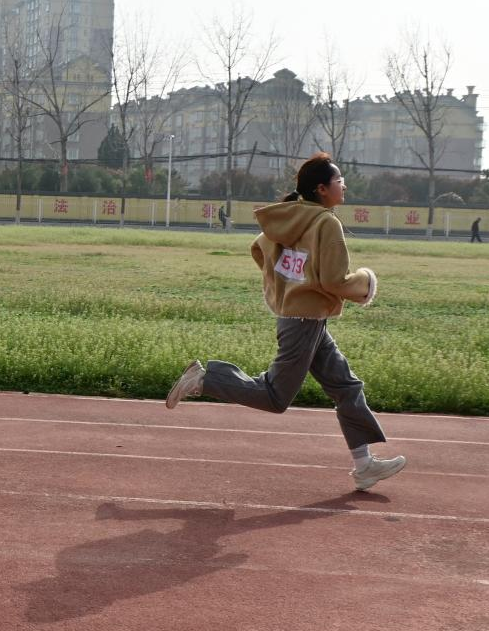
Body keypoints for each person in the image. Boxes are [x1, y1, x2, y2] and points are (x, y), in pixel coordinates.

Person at [165, 152, 406, 492]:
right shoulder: (326, 223)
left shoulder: (288, 216)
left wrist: (286, 288)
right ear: (322, 189)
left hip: (306, 319)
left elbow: (259, 250)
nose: (344, 186)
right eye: (339, 181)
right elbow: (334, 280)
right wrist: (367, 282)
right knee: (275, 397)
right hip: (304, 321)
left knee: (346, 387)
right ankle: (206, 380)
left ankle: (364, 465)